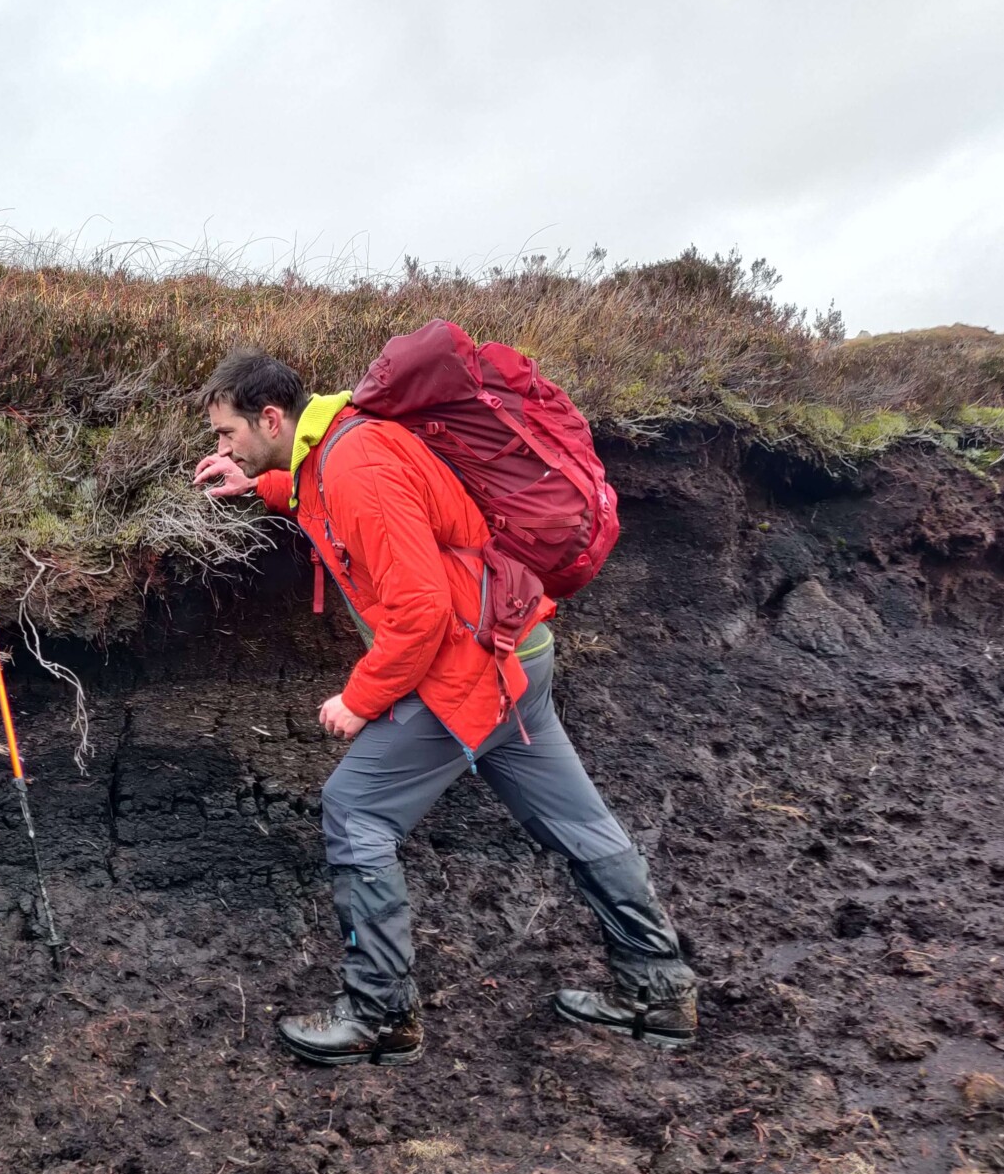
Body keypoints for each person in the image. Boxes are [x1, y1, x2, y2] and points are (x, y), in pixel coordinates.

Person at [191, 350, 696, 1068]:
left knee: (356, 810)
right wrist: (261, 485)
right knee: (577, 820)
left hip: (466, 670)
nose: (220, 448)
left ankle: (379, 1014)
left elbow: (421, 610)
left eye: (226, 435)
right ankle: (657, 989)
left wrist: (360, 699)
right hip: (519, 652)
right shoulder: (338, 441)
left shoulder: (354, 461)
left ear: (270, 418)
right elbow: (331, 502)